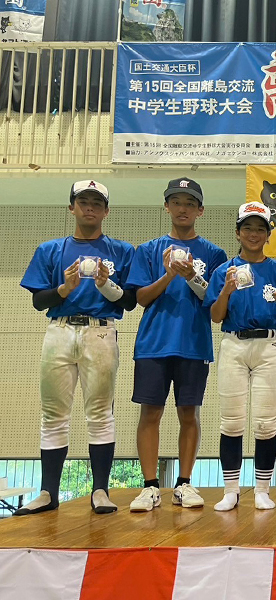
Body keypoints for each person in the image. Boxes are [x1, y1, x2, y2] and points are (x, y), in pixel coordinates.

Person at [18, 180, 136, 515]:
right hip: (59, 329)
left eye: (97, 203)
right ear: (71, 207)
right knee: (53, 413)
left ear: (106, 211)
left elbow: (129, 301)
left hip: (100, 332)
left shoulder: (122, 251)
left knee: (100, 412)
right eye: (82, 201)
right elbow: (39, 301)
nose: (89, 207)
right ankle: (47, 492)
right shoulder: (51, 250)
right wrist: (64, 289)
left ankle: (100, 490)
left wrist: (106, 284)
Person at [127, 178, 227, 512]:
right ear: (166, 206)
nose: (182, 208)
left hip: (194, 344)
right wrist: (169, 274)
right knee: (150, 413)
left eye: (189, 203)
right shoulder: (149, 250)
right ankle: (150, 486)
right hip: (153, 343)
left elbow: (214, 305)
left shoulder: (214, 254)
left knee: (190, 413)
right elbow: (141, 298)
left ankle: (184, 483)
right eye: (176, 202)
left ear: (200, 210)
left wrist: (190, 276)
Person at [206, 202, 276, 511]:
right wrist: (227, 291)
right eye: (248, 227)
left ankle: (262, 490)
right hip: (233, 345)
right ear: (237, 232)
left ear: (268, 234)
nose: (254, 233)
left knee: (265, 424)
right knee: (231, 422)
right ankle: (230, 491)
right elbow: (216, 317)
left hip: (269, 348)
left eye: (261, 228)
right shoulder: (224, 271)